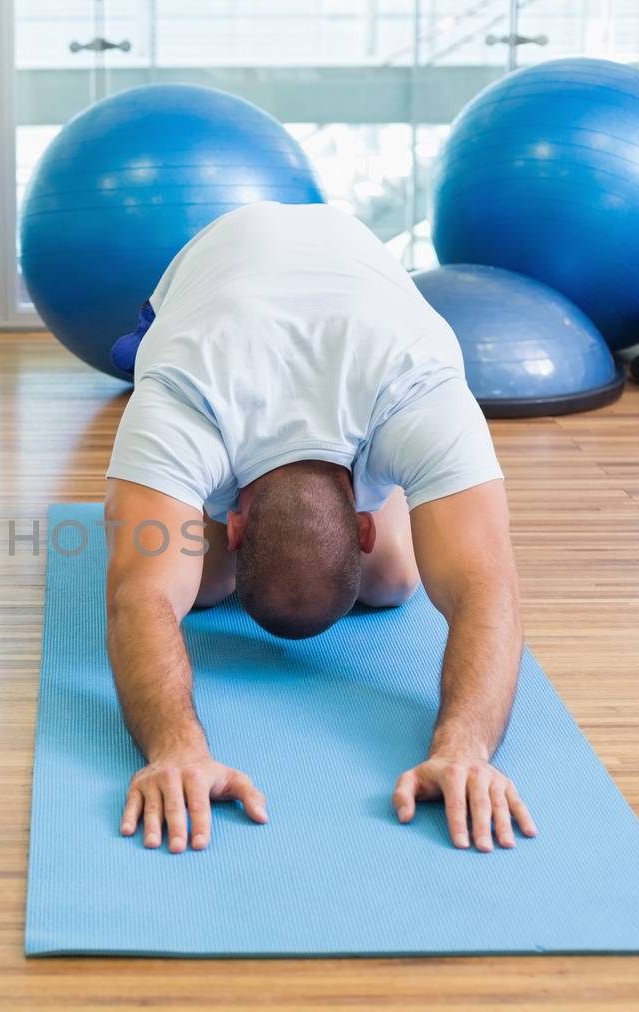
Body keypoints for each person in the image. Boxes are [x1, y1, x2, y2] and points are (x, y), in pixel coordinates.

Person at [104, 202, 537, 855]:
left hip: (361, 296)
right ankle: (229, 539)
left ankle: (351, 505)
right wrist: (176, 748)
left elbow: (488, 585)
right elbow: (139, 595)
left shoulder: (419, 388)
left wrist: (464, 748)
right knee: (206, 584)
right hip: (216, 270)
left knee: (393, 579)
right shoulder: (178, 398)